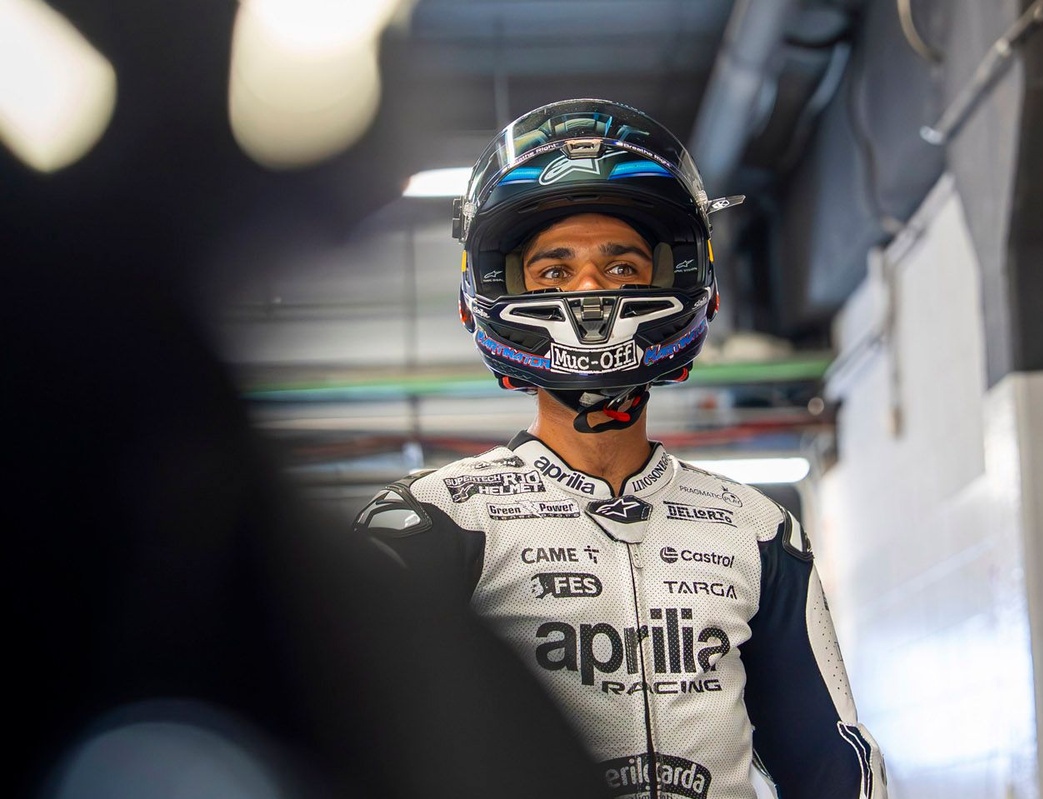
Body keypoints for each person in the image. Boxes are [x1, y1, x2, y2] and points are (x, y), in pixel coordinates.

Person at [354, 98, 887, 799]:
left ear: (682, 275)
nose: (590, 293)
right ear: (494, 284)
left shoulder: (757, 531)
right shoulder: (433, 522)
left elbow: (830, 764)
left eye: (623, 268)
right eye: (553, 271)